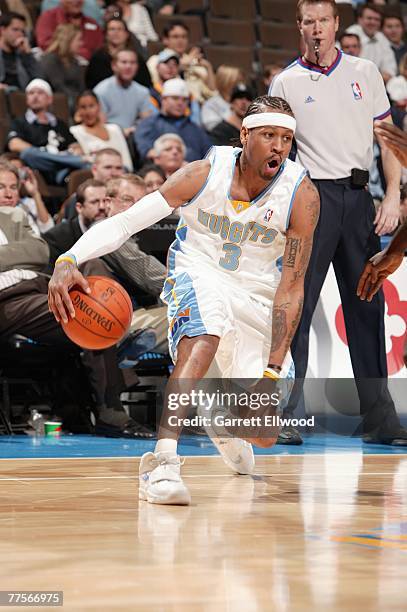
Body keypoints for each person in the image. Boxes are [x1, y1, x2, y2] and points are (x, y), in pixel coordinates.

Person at [48, 95, 320, 505]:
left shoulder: (301, 195)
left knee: (263, 434)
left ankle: (219, 416)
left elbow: (292, 287)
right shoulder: (202, 174)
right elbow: (124, 222)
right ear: (245, 135)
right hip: (200, 271)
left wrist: (271, 370)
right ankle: (163, 462)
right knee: (204, 332)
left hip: (257, 295)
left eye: (286, 138)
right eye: (268, 135)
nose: (279, 146)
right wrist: (70, 258)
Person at [270, 0, 406, 446]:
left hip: (358, 197)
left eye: (323, 21)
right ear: (299, 27)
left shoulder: (365, 72)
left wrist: (391, 194)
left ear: (335, 25)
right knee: (299, 305)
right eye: (308, 21)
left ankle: (379, 420)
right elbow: (276, 153)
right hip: (312, 200)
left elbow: (387, 139)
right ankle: (287, 413)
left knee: (367, 304)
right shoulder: (285, 81)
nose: (316, 29)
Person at [7, 78, 88, 185]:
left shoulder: (59, 123)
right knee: (27, 154)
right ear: (27, 99)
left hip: (62, 171)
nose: (35, 96)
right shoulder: (20, 122)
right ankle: (76, 161)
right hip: (39, 168)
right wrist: (46, 154)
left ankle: (73, 162)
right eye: (31, 93)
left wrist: (72, 152)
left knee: (84, 167)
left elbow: (76, 147)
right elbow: (14, 144)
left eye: (40, 93)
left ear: (49, 99)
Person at [134, 78, 211, 162]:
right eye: (175, 98)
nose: (180, 103)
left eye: (184, 100)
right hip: (160, 172)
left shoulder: (196, 129)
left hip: (195, 173)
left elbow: (209, 157)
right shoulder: (148, 124)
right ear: (163, 100)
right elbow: (147, 152)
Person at [43, 178, 107, 269]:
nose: (102, 207)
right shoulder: (56, 238)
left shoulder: (116, 231)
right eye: (94, 202)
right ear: (79, 208)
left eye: (105, 201)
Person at [93, 48, 155, 133]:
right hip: (109, 135)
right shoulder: (101, 90)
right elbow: (100, 124)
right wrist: (121, 132)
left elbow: (147, 121)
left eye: (132, 63)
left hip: (133, 135)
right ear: (114, 66)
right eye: (124, 62)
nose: (128, 66)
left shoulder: (142, 91)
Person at [70, 90, 133, 171]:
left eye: (91, 106)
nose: (88, 112)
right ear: (78, 110)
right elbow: (86, 161)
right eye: (83, 107)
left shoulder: (114, 129)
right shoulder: (75, 131)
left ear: (99, 106)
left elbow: (126, 160)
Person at [85, 17, 152, 90]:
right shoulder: (97, 58)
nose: (116, 32)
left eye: (119, 29)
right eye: (112, 29)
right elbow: (90, 85)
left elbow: (146, 84)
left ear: (127, 34)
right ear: (106, 34)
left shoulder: (136, 58)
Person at [62, 147, 124, 219]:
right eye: (108, 167)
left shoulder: (128, 196)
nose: (114, 173)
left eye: (118, 168)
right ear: (94, 169)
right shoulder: (77, 199)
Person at [0, 153, 54, 234]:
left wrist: (35, 194)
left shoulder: (26, 205)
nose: (9, 194)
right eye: (1, 187)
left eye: (13, 187)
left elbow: (48, 230)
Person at [35, 0, 104, 61]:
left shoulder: (92, 23)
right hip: (60, 66)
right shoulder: (48, 17)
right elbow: (45, 44)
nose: (76, 1)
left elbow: (101, 49)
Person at [39, 23, 85, 112]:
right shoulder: (50, 60)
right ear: (68, 40)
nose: (81, 43)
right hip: (56, 103)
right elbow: (59, 87)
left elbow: (81, 87)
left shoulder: (75, 62)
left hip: (74, 101)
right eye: (78, 40)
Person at [346, 3, 397, 82]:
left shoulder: (382, 38)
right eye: (369, 18)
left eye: (377, 19)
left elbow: (390, 71)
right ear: (360, 19)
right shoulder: (350, 34)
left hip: (377, 84)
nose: (373, 22)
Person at [0, 12, 40, 91]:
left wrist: (28, 55)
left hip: (21, 98)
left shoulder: (23, 55)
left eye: (22, 31)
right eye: (15, 30)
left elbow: (39, 80)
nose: (20, 34)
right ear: (2, 30)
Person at [201, 65, 244, 132]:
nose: (240, 86)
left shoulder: (245, 101)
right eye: (236, 83)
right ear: (225, 82)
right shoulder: (211, 105)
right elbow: (212, 128)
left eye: (241, 82)